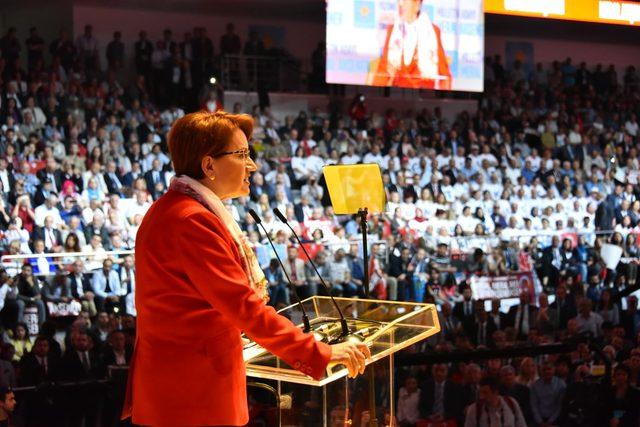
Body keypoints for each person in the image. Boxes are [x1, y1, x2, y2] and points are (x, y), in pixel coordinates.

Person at [122, 111, 370, 426]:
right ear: (208, 165)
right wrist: (320, 351)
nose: (252, 164)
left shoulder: (177, 209)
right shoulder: (191, 220)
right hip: (192, 399)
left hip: (182, 392)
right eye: (242, 154)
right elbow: (243, 307)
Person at [367, 0, 451, 89]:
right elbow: (383, 71)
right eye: (399, 1)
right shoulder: (393, 31)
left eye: (405, 1)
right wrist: (374, 95)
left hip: (423, 97)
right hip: (398, 95)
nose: (400, 4)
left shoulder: (433, 32)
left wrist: (443, 100)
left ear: (417, 4)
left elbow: (444, 75)